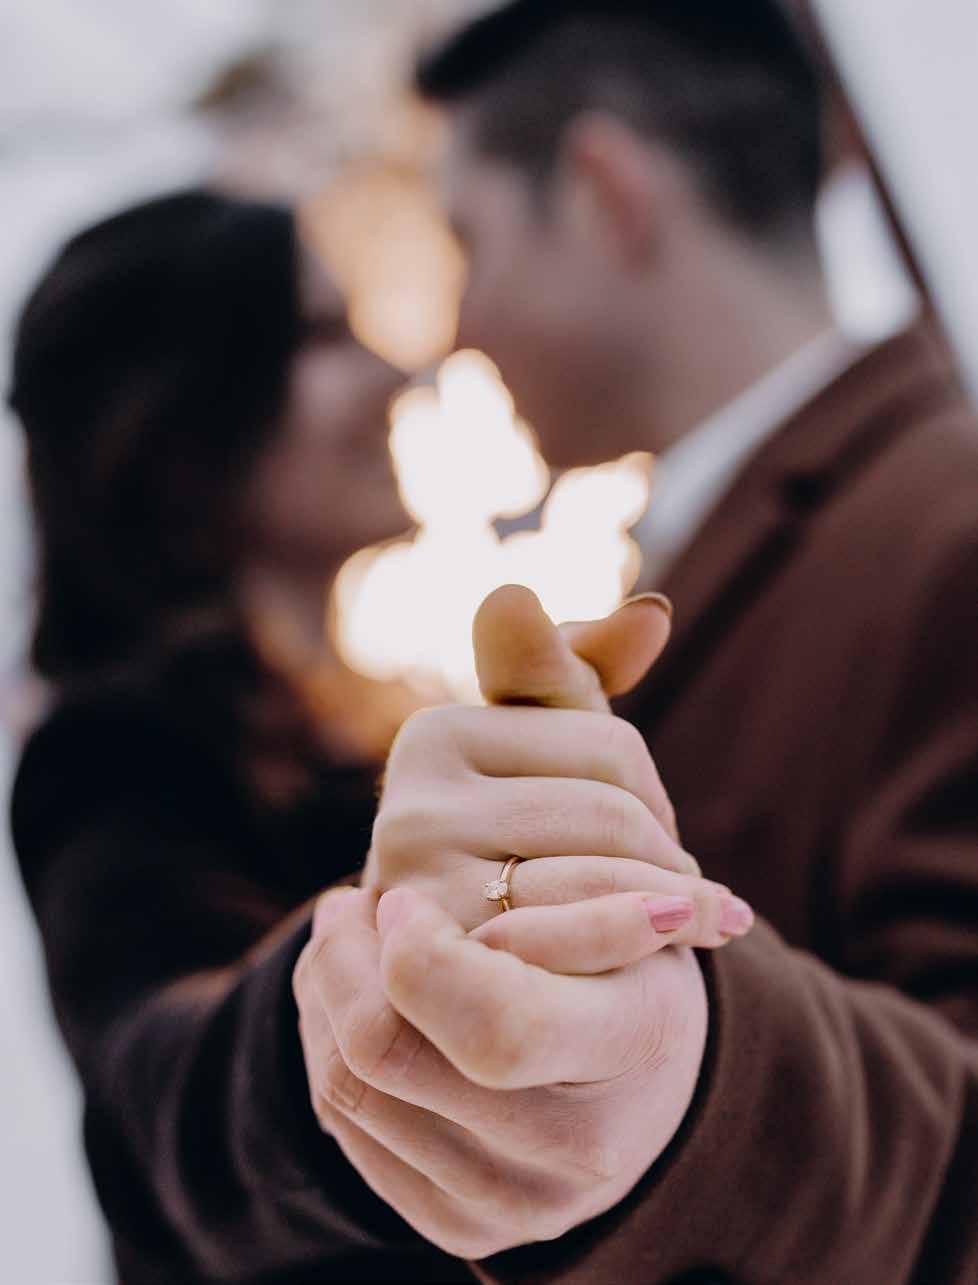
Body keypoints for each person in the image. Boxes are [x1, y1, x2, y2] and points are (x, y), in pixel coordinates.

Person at [288, 1, 978, 1280]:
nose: (456, 329)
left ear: (606, 189)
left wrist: (681, 1086)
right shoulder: (755, 537)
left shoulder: (948, 525)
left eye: (468, 240)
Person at [8, 190, 750, 1284]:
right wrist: (368, 999)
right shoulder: (111, 755)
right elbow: (155, 1097)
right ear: (184, 424)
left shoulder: (347, 723)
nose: (398, 374)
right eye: (324, 333)